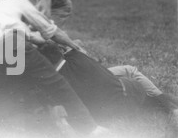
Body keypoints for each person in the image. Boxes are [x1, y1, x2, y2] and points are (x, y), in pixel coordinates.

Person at [0, 0, 107, 137]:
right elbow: (51, 32)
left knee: (0, 90)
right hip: (10, 45)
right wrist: (74, 46)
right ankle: (90, 128)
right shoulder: (22, 2)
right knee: (56, 83)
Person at [38, 43, 178, 125]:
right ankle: (165, 102)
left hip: (103, 117)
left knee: (116, 75)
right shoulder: (77, 57)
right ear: (60, 52)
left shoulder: (51, 81)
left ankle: (163, 104)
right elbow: (73, 46)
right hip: (126, 96)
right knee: (128, 71)